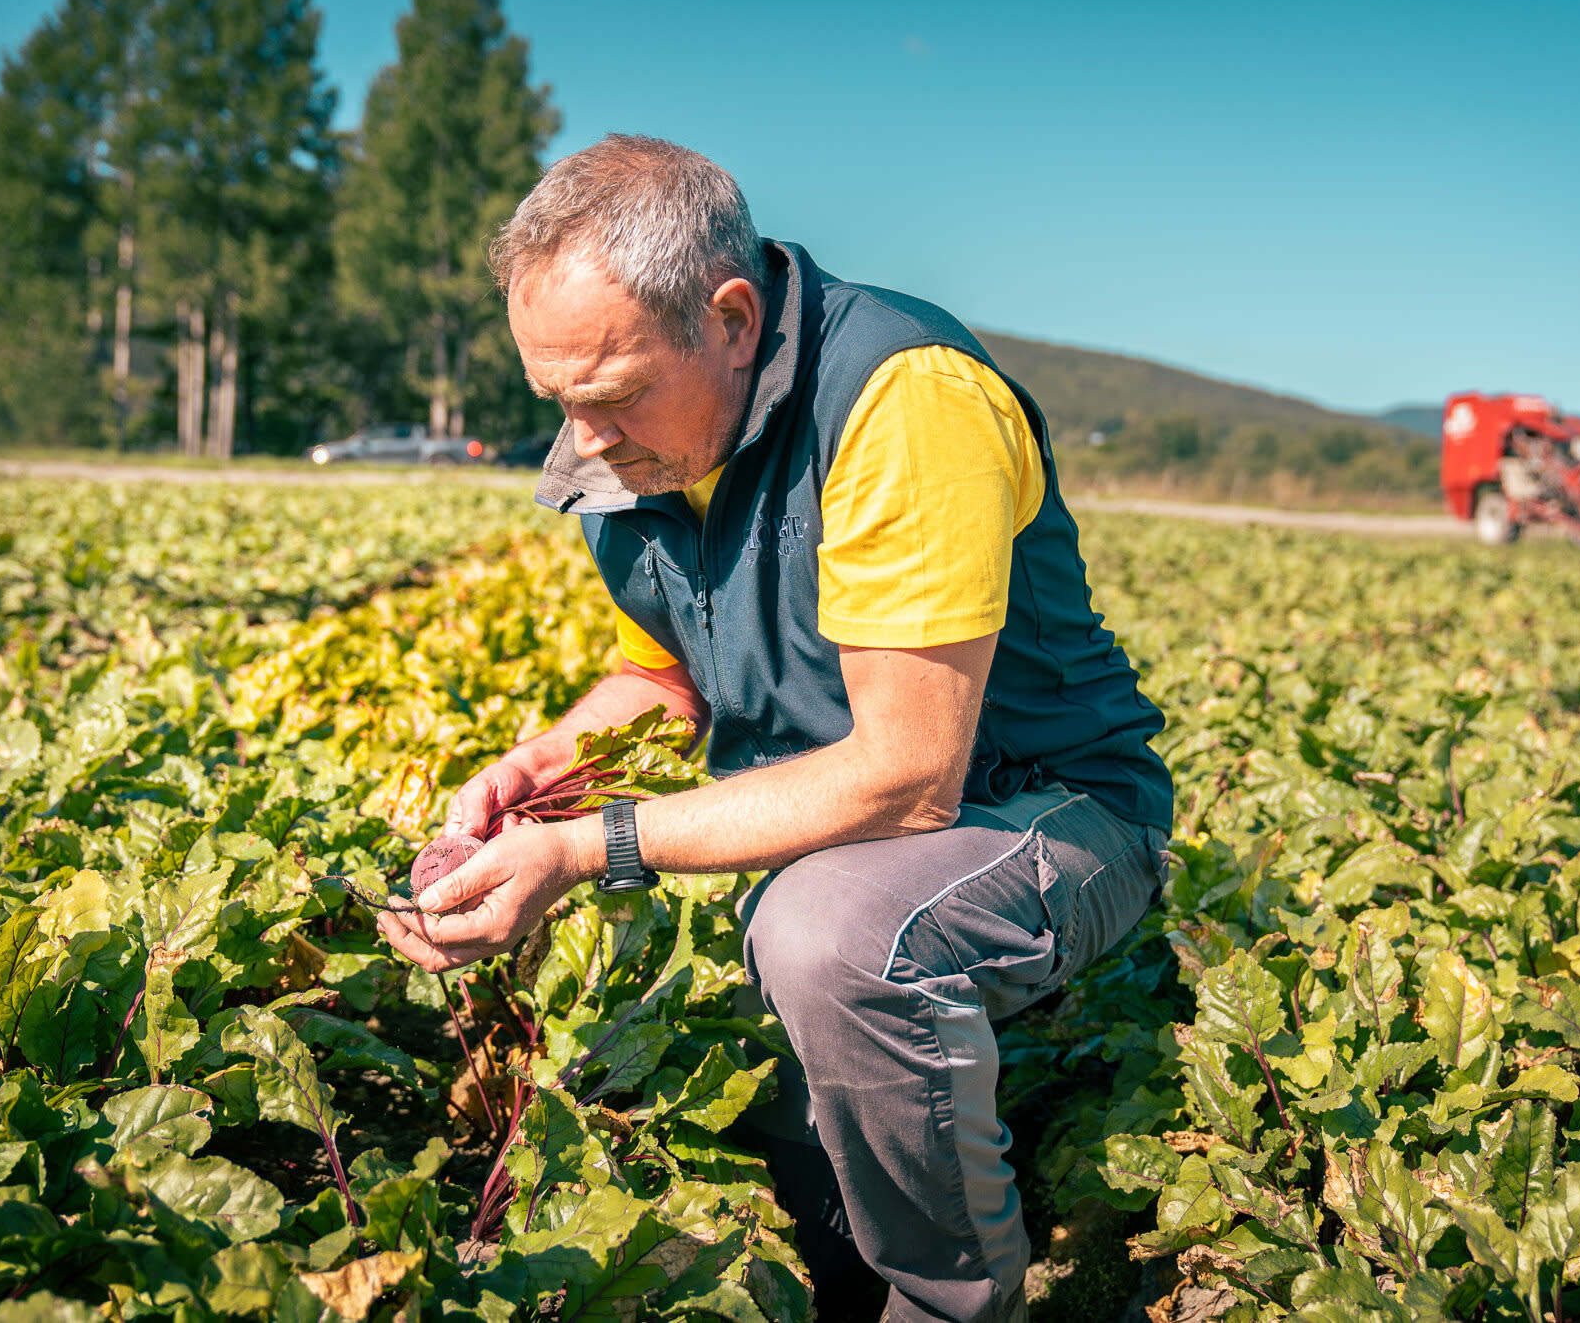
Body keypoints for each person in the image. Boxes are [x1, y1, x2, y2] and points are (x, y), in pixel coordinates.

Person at [377, 134, 1173, 1323]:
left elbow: (908, 779)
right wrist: (550, 773)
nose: (586, 439)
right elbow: (666, 677)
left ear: (731, 317)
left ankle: (949, 1301)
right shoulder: (647, 438)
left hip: (1046, 811)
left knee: (831, 940)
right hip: (850, 815)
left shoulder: (902, 401)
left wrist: (588, 847)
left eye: (610, 392)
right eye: (557, 399)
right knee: (702, 1035)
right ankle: (828, 1254)